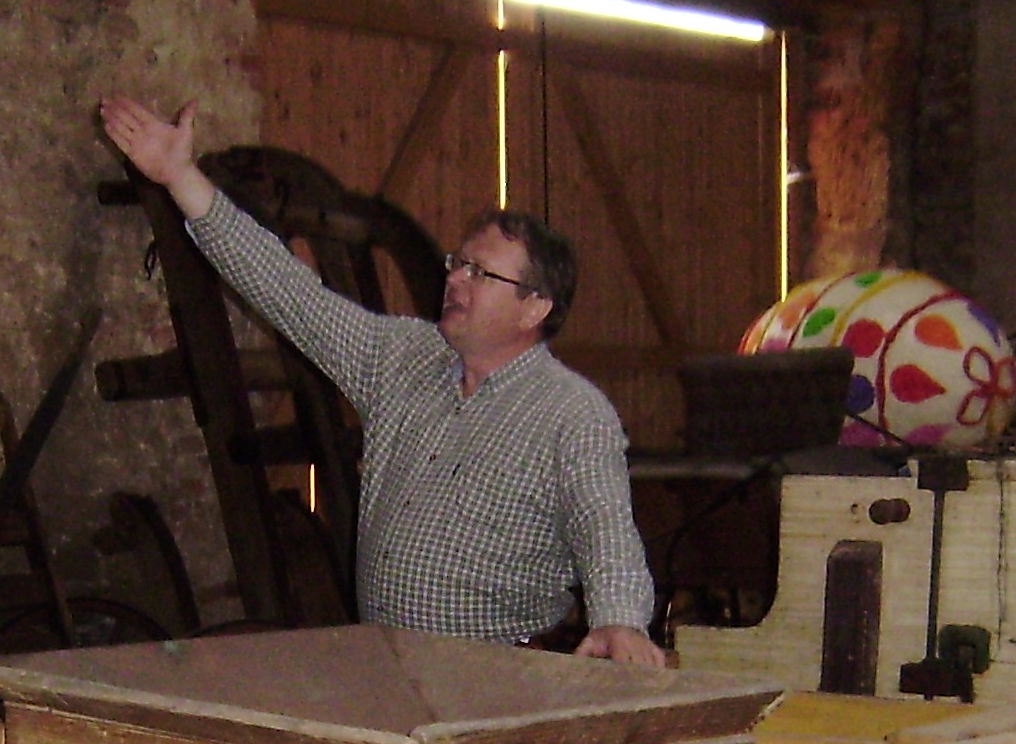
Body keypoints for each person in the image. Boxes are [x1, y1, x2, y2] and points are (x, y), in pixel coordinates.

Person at [98, 94, 663, 666]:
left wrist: (619, 622)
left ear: (534, 307)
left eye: (480, 273)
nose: (455, 280)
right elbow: (288, 293)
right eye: (457, 264)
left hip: (496, 678)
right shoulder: (401, 359)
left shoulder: (571, 414)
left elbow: (605, 529)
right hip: (385, 664)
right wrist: (181, 178)